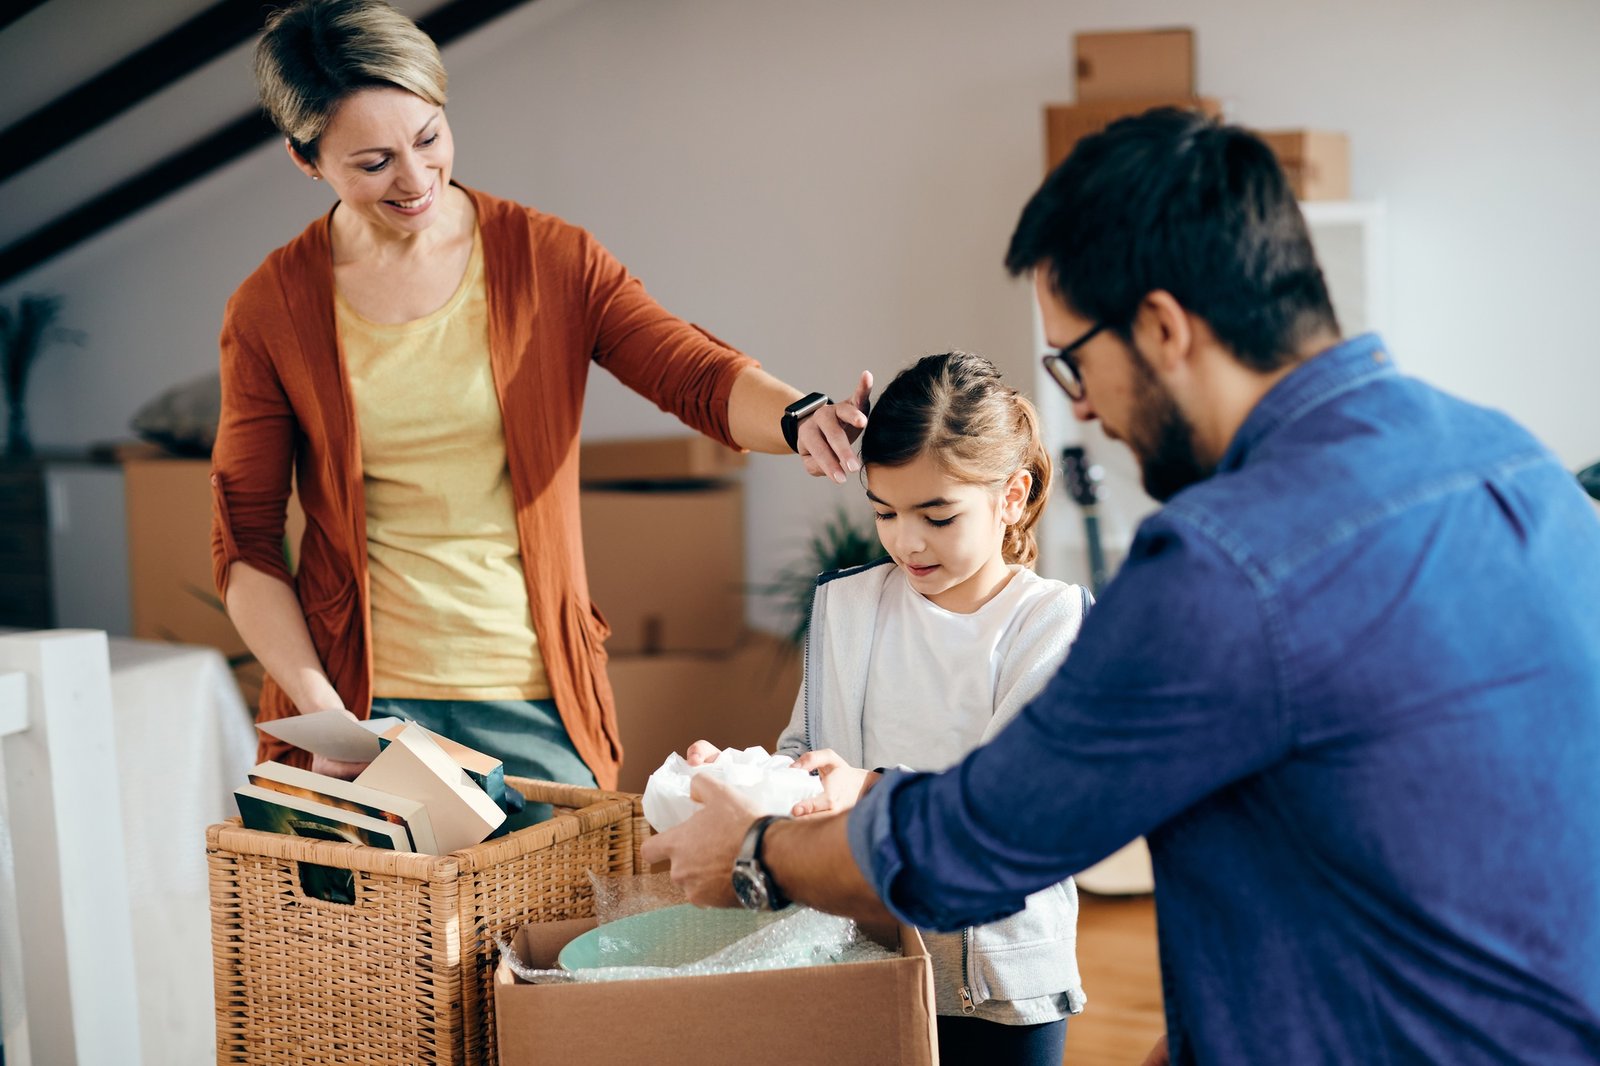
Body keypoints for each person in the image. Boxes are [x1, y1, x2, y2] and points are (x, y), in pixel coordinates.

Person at [642, 108, 1600, 1064]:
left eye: (1075, 362)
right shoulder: (1518, 467)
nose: (1083, 406)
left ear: (1163, 328)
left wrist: (752, 851)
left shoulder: (1226, 565)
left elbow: (982, 839)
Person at [210, 0, 870, 809]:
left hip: (536, 700)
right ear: (305, 159)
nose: (416, 180)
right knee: (385, 945)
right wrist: (327, 720)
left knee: (554, 936)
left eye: (428, 138)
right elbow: (244, 537)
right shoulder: (271, 308)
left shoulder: (548, 260)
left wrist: (802, 415)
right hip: (359, 708)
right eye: (373, 162)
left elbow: (689, 372)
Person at [687, 350, 1090, 1065]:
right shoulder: (848, 603)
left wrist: (868, 787)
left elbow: (1011, 809)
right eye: (885, 512)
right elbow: (802, 752)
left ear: (1011, 495)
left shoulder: (1052, 622)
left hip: (998, 988)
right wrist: (747, 776)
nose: (907, 540)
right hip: (858, 961)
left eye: (937, 515)